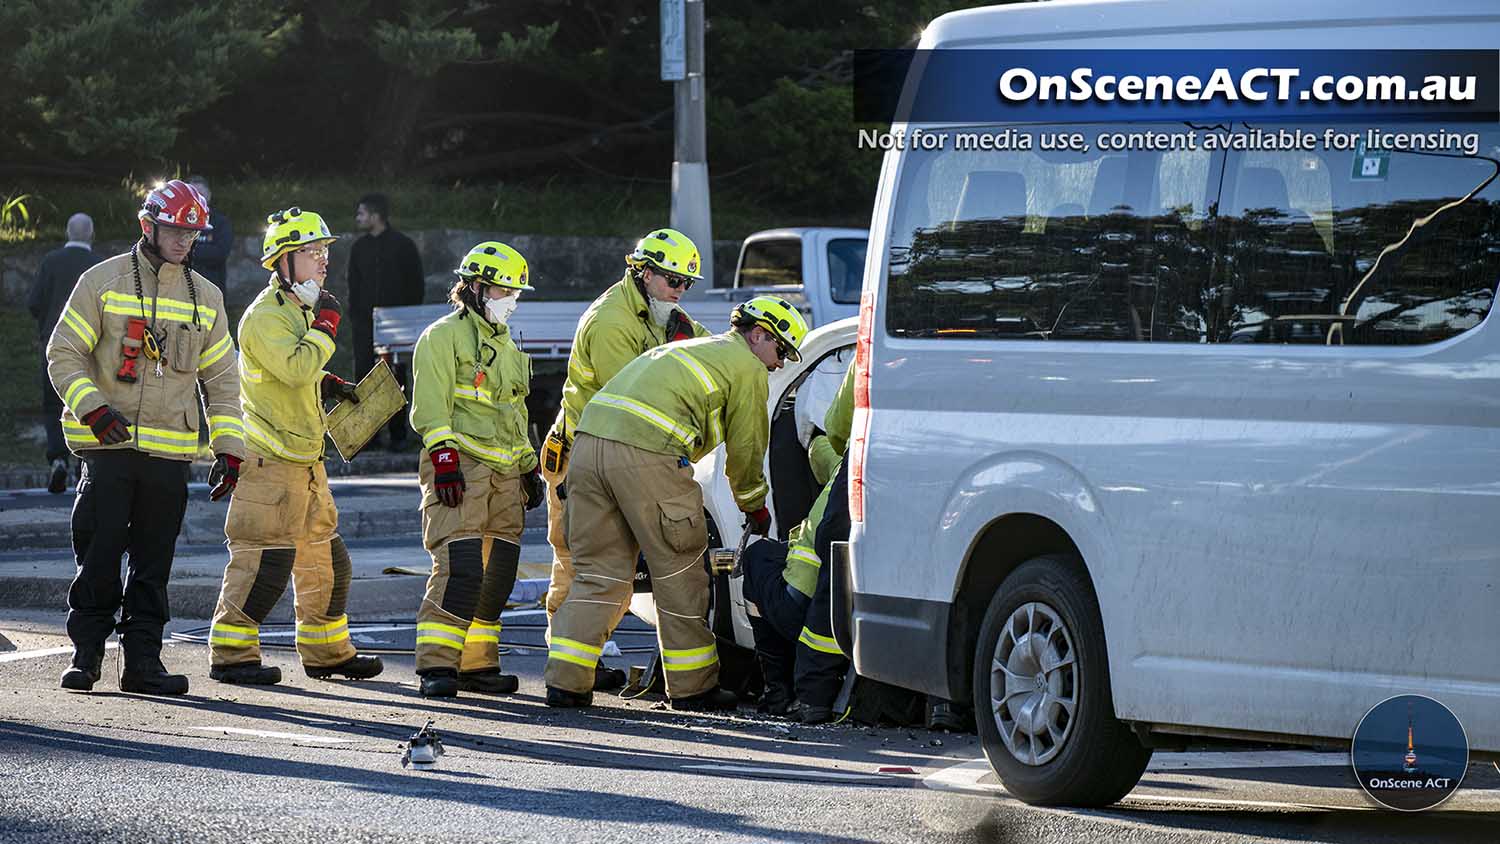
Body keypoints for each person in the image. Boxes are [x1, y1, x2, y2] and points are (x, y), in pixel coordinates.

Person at [543, 295, 808, 711]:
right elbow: (747, 448)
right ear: (758, 335)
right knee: (681, 569)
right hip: (646, 454)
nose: (779, 365)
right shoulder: (746, 368)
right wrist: (754, 504)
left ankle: (566, 682)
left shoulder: (689, 349)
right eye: (780, 352)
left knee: (600, 575)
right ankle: (692, 687)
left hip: (587, 450)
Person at [46, 180, 244, 695]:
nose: (184, 241)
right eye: (176, 230)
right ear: (148, 226)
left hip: (170, 455)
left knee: (154, 566)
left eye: (192, 232)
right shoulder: (103, 281)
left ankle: (143, 665)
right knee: (99, 556)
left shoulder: (208, 298)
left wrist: (229, 448)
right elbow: (63, 354)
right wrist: (93, 410)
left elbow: (222, 380)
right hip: (109, 449)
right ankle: (86, 656)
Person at [207, 207, 382, 686]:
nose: (324, 261)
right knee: (265, 561)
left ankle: (328, 654)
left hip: (306, 461)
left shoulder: (298, 311)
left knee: (326, 560)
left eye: (325, 251)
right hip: (269, 462)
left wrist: (328, 384)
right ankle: (232, 655)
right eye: (312, 253)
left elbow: (299, 376)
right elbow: (295, 366)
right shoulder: (264, 317)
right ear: (282, 262)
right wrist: (326, 330)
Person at [540, 227, 708, 691]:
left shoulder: (663, 314)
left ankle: (577, 663)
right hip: (582, 455)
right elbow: (633, 401)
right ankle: (570, 663)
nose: (679, 291)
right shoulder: (612, 322)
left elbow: (711, 354)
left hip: (612, 449)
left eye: (685, 284)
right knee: (582, 563)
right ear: (644, 272)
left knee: (604, 566)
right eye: (673, 280)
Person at [408, 241, 545, 698]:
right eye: (506, 291)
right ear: (478, 288)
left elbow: (514, 413)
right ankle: (437, 666)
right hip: (460, 469)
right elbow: (430, 408)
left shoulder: (507, 347)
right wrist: (444, 460)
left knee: (498, 572)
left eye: (516, 293)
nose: (513, 300)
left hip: (505, 475)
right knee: (460, 567)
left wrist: (528, 467)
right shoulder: (442, 336)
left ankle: (477, 664)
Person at [29, 213, 102, 493]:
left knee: (52, 404)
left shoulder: (50, 262)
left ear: (66, 232)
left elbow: (34, 303)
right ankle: (87, 463)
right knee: (88, 402)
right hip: (91, 347)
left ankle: (58, 458)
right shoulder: (98, 266)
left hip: (54, 344)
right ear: (92, 234)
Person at [348, 193, 424, 449]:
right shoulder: (359, 248)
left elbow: (415, 284)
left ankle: (398, 434)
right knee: (365, 378)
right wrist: (357, 318)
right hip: (365, 324)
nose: (357, 218)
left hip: (397, 325)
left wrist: (407, 317)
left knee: (396, 377)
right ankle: (369, 436)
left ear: (375, 215)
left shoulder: (403, 246)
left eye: (361, 213)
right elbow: (354, 285)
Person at [185, 177, 234, 288]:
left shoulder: (221, 222)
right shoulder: (177, 222)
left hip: (212, 287)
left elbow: (220, 253)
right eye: (193, 194)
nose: (197, 198)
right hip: (182, 287)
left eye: (201, 194)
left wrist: (187, 250)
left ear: (209, 195)